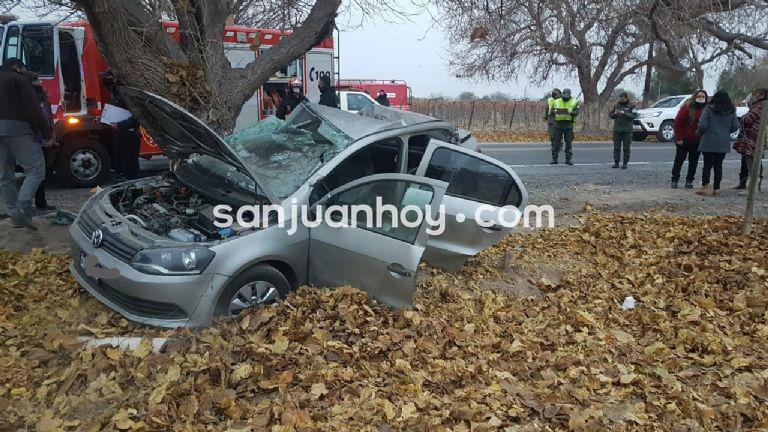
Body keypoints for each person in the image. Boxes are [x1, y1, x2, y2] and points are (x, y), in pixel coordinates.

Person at [0, 59, 52, 229]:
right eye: (23, 68)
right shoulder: (20, 80)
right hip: (18, 129)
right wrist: (46, 134)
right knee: (36, 169)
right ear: (16, 67)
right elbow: (33, 109)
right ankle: (24, 206)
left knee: (5, 175)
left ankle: (14, 213)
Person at [695, 91, 740, 196]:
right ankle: (717, 188)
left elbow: (702, 125)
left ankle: (705, 187)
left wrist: (698, 133)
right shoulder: (731, 111)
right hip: (723, 141)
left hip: (709, 140)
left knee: (707, 165)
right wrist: (726, 131)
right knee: (718, 165)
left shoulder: (708, 109)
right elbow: (736, 126)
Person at [102, 70, 140, 181]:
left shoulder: (128, 95)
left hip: (129, 133)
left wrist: (120, 125)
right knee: (122, 158)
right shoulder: (117, 93)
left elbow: (137, 117)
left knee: (130, 160)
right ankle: (125, 176)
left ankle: (130, 180)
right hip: (121, 132)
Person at [26, 72, 56, 212]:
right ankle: (34, 202)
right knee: (37, 173)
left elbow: (48, 119)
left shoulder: (42, 99)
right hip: (36, 140)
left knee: (41, 172)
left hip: (42, 140)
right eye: (36, 80)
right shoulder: (32, 99)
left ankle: (40, 202)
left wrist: (51, 134)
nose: (39, 82)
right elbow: (41, 119)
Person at [671, 90, 708, 189]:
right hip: (684, 138)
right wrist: (679, 137)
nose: (701, 98)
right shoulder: (687, 107)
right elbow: (678, 122)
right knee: (679, 160)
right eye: (699, 96)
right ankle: (674, 179)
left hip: (697, 140)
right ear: (695, 97)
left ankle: (689, 180)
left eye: (703, 96)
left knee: (694, 161)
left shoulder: (706, 109)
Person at [733, 88, 767, 190]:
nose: (753, 96)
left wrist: (742, 117)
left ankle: (754, 186)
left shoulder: (761, 106)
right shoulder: (759, 105)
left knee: (753, 161)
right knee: (746, 159)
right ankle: (744, 183)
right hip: (752, 136)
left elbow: (748, 119)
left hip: (754, 137)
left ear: (761, 95)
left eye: (755, 94)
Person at [609, 92, 638, 169]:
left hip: (627, 131)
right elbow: (611, 115)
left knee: (626, 148)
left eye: (623, 97)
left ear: (626, 98)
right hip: (617, 130)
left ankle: (625, 163)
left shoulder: (632, 106)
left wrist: (625, 114)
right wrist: (614, 114)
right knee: (616, 147)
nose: (622, 99)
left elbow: (634, 116)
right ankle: (616, 162)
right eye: (621, 97)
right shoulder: (616, 105)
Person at [550, 88, 580, 165]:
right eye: (564, 95)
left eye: (567, 96)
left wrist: (571, 112)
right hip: (558, 124)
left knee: (568, 144)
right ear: (562, 94)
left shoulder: (574, 101)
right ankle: (554, 159)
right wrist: (555, 111)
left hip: (568, 125)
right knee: (556, 143)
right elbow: (551, 112)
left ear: (570, 95)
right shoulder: (557, 101)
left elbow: (577, 112)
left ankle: (568, 159)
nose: (565, 97)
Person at [544, 88, 562, 157]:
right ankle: (553, 145)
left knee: (559, 133)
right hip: (551, 118)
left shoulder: (562, 100)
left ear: (559, 94)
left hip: (559, 118)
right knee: (551, 133)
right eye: (553, 93)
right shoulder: (550, 100)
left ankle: (559, 145)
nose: (554, 94)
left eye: (555, 93)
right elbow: (547, 108)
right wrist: (545, 116)